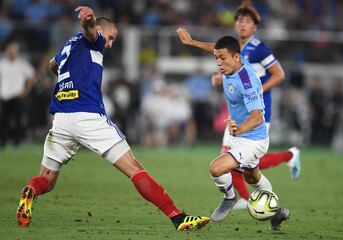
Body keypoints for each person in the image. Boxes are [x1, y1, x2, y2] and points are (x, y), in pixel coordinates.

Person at [16, 6, 210, 231]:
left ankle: (30, 190)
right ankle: (178, 217)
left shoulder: (69, 45)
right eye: (110, 38)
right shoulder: (94, 40)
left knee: (46, 179)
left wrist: (68, 81)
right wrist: (88, 20)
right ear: (100, 30)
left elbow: (52, 65)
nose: (109, 44)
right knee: (134, 167)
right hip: (88, 116)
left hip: (61, 119)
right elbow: (91, 31)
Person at [176, 1, 301, 209]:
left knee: (237, 163)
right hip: (240, 116)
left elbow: (279, 74)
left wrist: (257, 90)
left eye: (248, 21)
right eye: (239, 20)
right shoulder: (234, 50)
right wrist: (192, 43)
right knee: (249, 171)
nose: (242, 24)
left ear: (255, 26)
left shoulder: (259, 48)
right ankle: (265, 203)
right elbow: (217, 51)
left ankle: (242, 196)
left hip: (256, 113)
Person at [209, 35, 289, 230]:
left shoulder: (247, 82)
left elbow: (258, 117)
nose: (219, 63)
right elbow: (217, 48)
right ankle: (277, 213)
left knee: (216, 168)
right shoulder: (234, 62)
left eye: (222, 58)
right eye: (216, 58)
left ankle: (230, 198)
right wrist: (191, 42)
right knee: (251, 176)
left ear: (237, 58)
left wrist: (240, 129)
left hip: (253, 140)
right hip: (243, 138)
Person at [0, 41, 36, 148]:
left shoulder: (22, 64)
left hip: (17, 95)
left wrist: (26, 90)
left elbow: (33, 76)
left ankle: (17, 142)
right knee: (3, 120)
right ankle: (3, 142)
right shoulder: (2, 63)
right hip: (4, 95)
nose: (10, 53)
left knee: (17, 120)